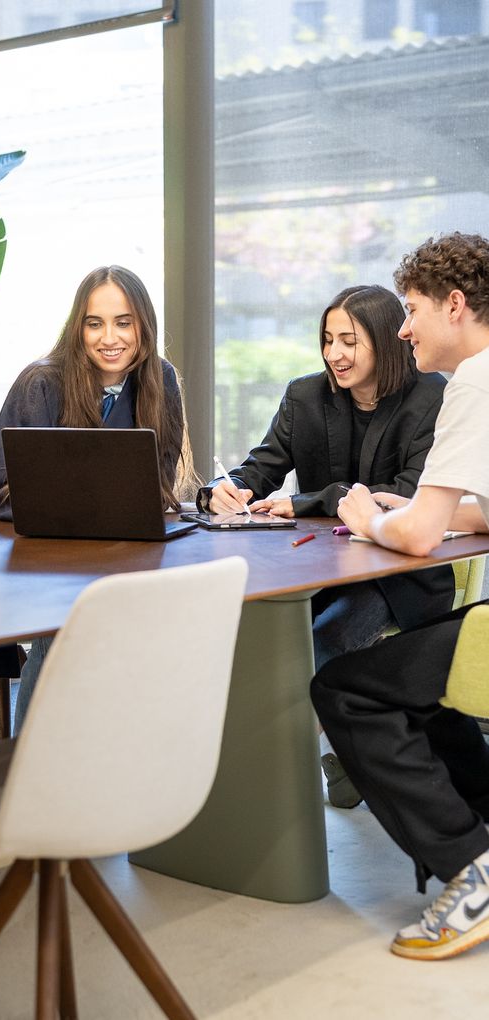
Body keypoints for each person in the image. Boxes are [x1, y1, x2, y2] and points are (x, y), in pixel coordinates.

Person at [197, 284, 453, 805]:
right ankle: (341, 753)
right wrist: (224, 489)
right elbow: (259, 469)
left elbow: (404, 496)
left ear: (386, 340)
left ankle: (261, 777)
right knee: (246, 633)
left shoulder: (431, 396)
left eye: (349, 341)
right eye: (328, 340)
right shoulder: (305, 396)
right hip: (312, 568)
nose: (334, 353)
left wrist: (307, 501)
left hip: (395, 575)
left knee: (323, 641)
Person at [311, 232, 489, 961]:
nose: (405, 328)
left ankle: (472, 872)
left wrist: (369, 518)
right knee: (421, 682)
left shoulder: (474, 381)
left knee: (346, 689)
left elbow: (414, 539)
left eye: (412, 310)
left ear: (455, 305)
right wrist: (423, 513)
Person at [0, 264, 195, 730]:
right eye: (95, 323)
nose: (109, 338)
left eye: (123, 322)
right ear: (78, 328)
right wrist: (89, 512)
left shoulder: (161, 379)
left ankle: (122, 741)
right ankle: (33, 752)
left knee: (167, 614)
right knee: (72, 613)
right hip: (24, 554)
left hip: (116, 553)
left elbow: (156, 481)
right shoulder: (41, 382)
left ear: (144, 325)